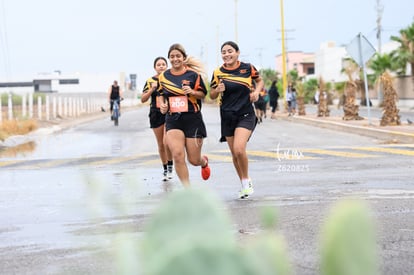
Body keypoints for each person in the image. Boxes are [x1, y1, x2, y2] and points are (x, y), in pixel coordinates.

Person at [209, 41, 264, 199]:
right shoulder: (218, 72)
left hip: (245, 113)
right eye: (224, 52)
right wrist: (217, 90)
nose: (227, 54)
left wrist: (257, 92)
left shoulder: (247, 68)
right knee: (234, 153)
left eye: (230, 51)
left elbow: (259, 81)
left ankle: (247, 182)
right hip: (227, 115)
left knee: (239, 149)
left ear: (237, 52)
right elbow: (212, 95)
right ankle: (243, 183)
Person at [158, 43, 210, 187]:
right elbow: (161, 95)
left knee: (193, 160)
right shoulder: (163, 76)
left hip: (192, 119)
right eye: (172, 56)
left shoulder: (193, 75)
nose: (175, 59)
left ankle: (203, 161)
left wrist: (192, 92)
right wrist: (163, 106)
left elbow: (203, 94)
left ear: (183, 58)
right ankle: (188, 192)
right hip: (173, 119)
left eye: (178, 56)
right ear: (169, 58)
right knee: (177, 155)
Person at [141, 56, 173, 181]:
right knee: (160, 144)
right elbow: (143, 99)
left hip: (169, 112)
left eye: (163, 64)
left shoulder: (171, 78)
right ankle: (165, 168)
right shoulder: (150, 81)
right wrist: (152, 89)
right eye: (158, 64)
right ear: (155, 67)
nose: (161, 66)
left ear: (167, 66)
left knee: (167, 142)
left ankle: (170, 165)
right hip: (155, 113)